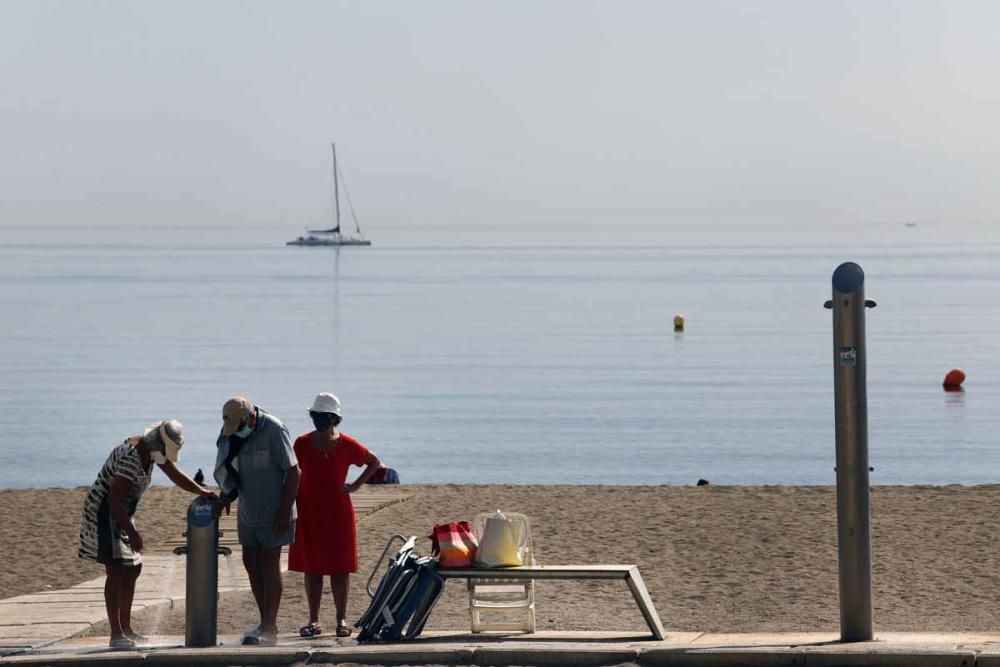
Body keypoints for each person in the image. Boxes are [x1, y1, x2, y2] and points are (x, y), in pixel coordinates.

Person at [78, 420, 215, 649]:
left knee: (133, 567)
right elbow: (113, 500)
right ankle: (116, 633)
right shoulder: (131, 456)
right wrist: (131, 532)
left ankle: (127, 627)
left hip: (122, 512)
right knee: (116, 570)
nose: (166, 457)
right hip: (105, 511)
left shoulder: (150, 452)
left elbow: (174, 474)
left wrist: (202, 491)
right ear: (157, 443)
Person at [289, 392, 382, 638]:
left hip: (338, 514)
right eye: (314, 416)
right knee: (313, 568)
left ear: (333, 418)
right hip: (308, 511)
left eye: (322, 416)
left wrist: (355, 486)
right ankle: (314, 620)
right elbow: (289, 472)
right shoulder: (301, 443)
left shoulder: (347, 444)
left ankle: (341, 620)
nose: (317, 420)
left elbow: (374, 462)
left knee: (340, 569)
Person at [212, 396, 300, 646]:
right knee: (251, 562)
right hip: (248, 510)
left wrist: (285, 510)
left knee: (270, 563)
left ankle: (270, 626)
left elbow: (294, 471)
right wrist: (224, 496)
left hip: (275, 511)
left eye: (240, 427)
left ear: (250, 417)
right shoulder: (231, 428)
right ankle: (264, 621)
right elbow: (230, 466)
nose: (237, 432)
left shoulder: (274, 429)